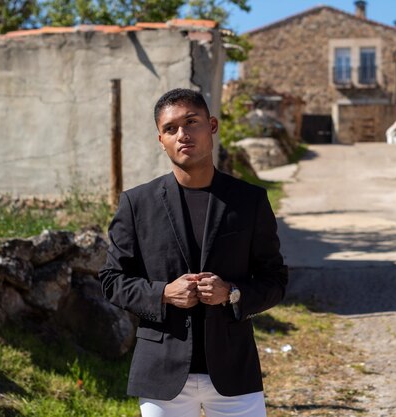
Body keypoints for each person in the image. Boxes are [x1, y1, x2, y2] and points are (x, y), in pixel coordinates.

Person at [99, 88, 288, 417]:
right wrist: (163, 294)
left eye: (192, 122)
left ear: (212, 125)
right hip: (161, 373)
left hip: (234, 370)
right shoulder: (136, 203)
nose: (182, 134)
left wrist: (231, 292)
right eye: (170, 128)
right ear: (161, 140)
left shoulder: (250, 201)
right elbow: (112, 280)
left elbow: (275, 279)